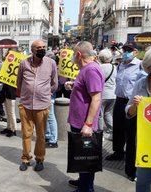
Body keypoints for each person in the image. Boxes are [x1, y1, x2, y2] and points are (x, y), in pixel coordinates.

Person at [65, 41, 104, 192]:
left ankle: (86, 188)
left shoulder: (91, 70)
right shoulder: (87, 69)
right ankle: (83, 182)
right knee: (81, 155)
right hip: (79, 121)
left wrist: (88, 124)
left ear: (79, 54)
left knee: (86, 158)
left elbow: (96, 98)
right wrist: (75, 85)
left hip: (84, 123)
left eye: (74, 54)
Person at [106, 42, 146, 181]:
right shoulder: (121, 64)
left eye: (128, 50)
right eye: (124, 50)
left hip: (133, 102)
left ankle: (131, 158)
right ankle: (118, 152)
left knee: (130, 132)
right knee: (117, 128)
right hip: (120, 99)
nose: (125, 52)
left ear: (135, 51)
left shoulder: (140, 65)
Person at [16, 39, 58, 172]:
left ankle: (39, 159)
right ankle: (26, 158)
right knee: (26, 134)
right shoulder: (24, 63)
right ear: (32, 50)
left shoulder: (51, 63)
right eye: (38, 47)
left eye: (43, 47)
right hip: (26, 105)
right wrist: (24, 96)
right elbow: (19, 82)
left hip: (42, 105)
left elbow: (55, 83)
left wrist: (46, 93)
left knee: (41, 135)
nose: (42, 49)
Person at [126, 46, 151, 192]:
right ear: (149, 67)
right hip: (146, 143)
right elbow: (128, 111)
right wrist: (135, 106)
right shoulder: (141, 83)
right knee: (143, 180)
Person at [0, 53, 17, 138]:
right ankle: (8, 127)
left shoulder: (15, 68)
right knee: (8, 112)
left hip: (11, 93)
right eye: (6, 58)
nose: (7, 59)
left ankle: (13, 129)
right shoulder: (5, 67)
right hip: (4, 92)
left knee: (11, 112)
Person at [97, 49, 117, 140]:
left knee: (100, 115)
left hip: (103, 94)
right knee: (108, 113)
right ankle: (112, 131)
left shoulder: (99, 67)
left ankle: (100, 134)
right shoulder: (114, 67)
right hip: (113, 94)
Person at [45, 51, 58, 148]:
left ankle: (53, 139)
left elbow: (55, 84)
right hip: (46, 95)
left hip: (49, 95)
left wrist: (50, 91)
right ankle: (48, 135)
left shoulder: (52, 67)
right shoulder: (50, 66)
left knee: (50, 117)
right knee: (47, 117)